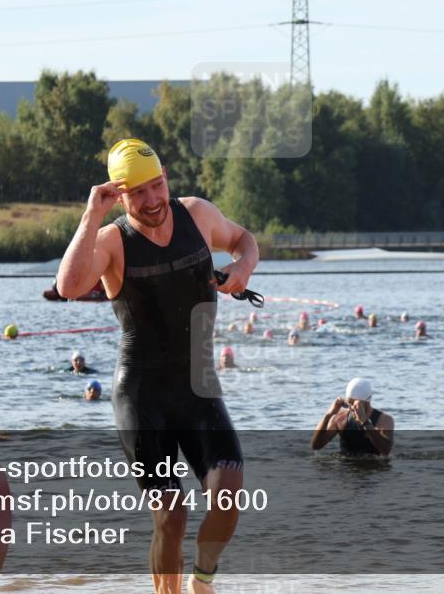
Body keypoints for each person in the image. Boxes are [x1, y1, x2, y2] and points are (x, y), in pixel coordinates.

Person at [56, 138, 255, 594]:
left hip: (199, 386)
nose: (151, 201)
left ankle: (202, 580)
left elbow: (245, 239)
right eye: (137, 193)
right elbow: (68, 286)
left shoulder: (197, 216)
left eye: (156, 185)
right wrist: (92, 214)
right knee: (171, 514)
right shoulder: (111, 243)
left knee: (227, 494)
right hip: (142, 396)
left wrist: (244, 267)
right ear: (118, 196)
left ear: (166, 175)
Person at [310, 378, 394, 456]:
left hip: (373, 468)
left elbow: (386, 451)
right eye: (349, 403)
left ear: (367, 400)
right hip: (346, 468)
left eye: (356, 404)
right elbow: (316, 446)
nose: (352, 408)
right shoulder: (339, 418)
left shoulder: (384, 420)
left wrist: (365, 422)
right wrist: (328, 415)